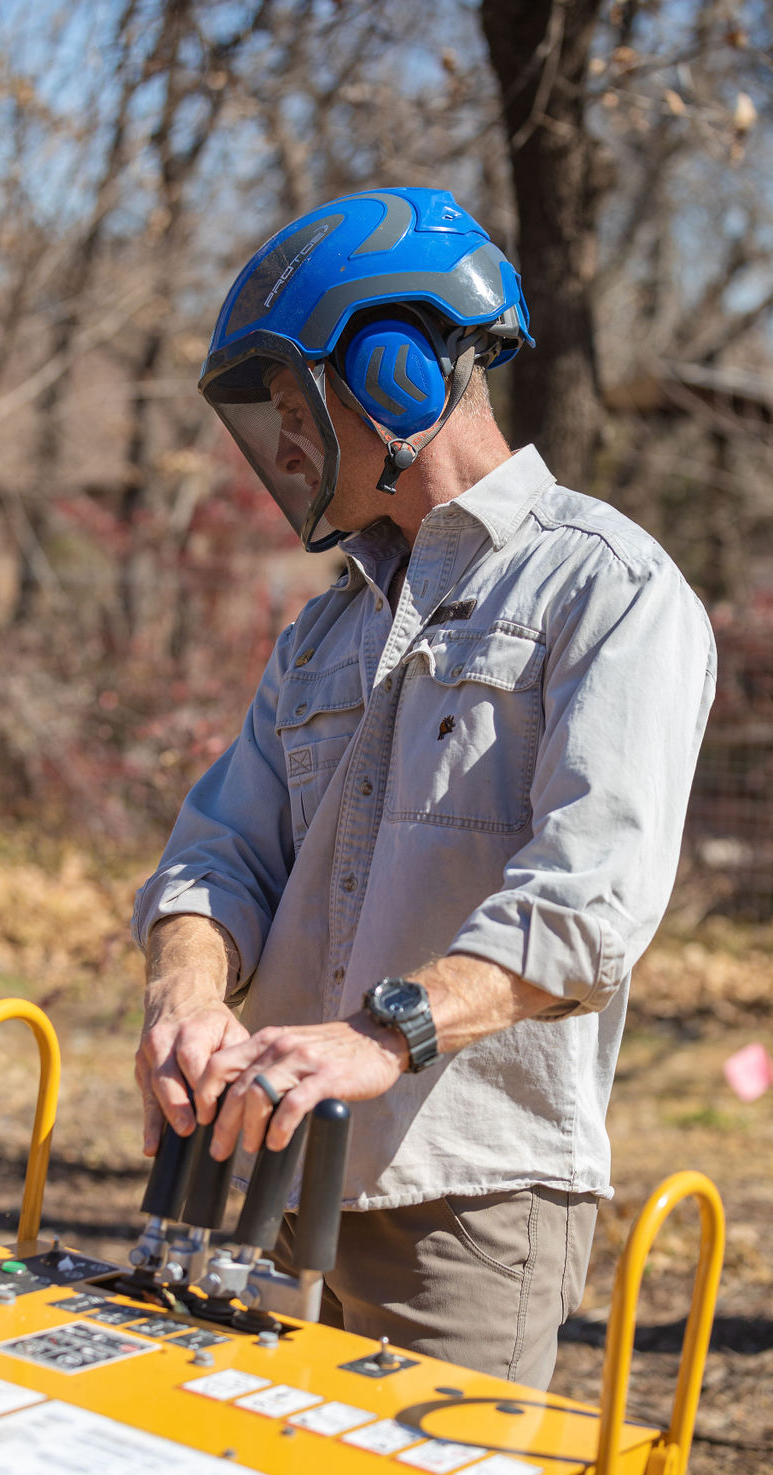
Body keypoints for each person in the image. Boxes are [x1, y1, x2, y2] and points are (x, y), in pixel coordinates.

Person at [132, 187, 716, 1389]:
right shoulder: (321, 632)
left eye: (292, 406)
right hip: (276, 1176)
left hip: (469, 1202)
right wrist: (182, 995)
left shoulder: (609, 592)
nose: (282, 448)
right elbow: (218, 854)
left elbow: (590, 904)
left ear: (391, 371)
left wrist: (380, 1035)